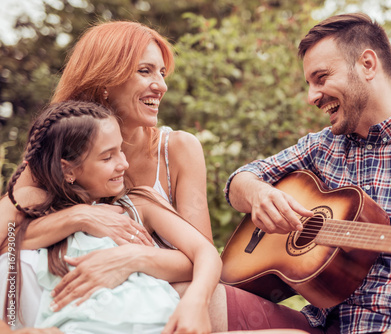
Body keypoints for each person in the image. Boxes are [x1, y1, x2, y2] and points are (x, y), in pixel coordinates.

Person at [223, 13, 391, 333]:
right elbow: (240, 179)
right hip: (322, 325)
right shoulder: (321, 146)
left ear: (368, 64)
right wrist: (259, 194)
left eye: (321, 77)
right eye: (309, 84)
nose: (312, 96)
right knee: (193, 297)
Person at [0, 20, 229, 330]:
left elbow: (199, 257)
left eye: (162, 73)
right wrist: (79, 216)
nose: (161, 85)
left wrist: (130, 258)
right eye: (145, 71)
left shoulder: (177, 149)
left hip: (166, 303)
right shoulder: (59, 147)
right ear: (106, 79)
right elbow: (8, 239)